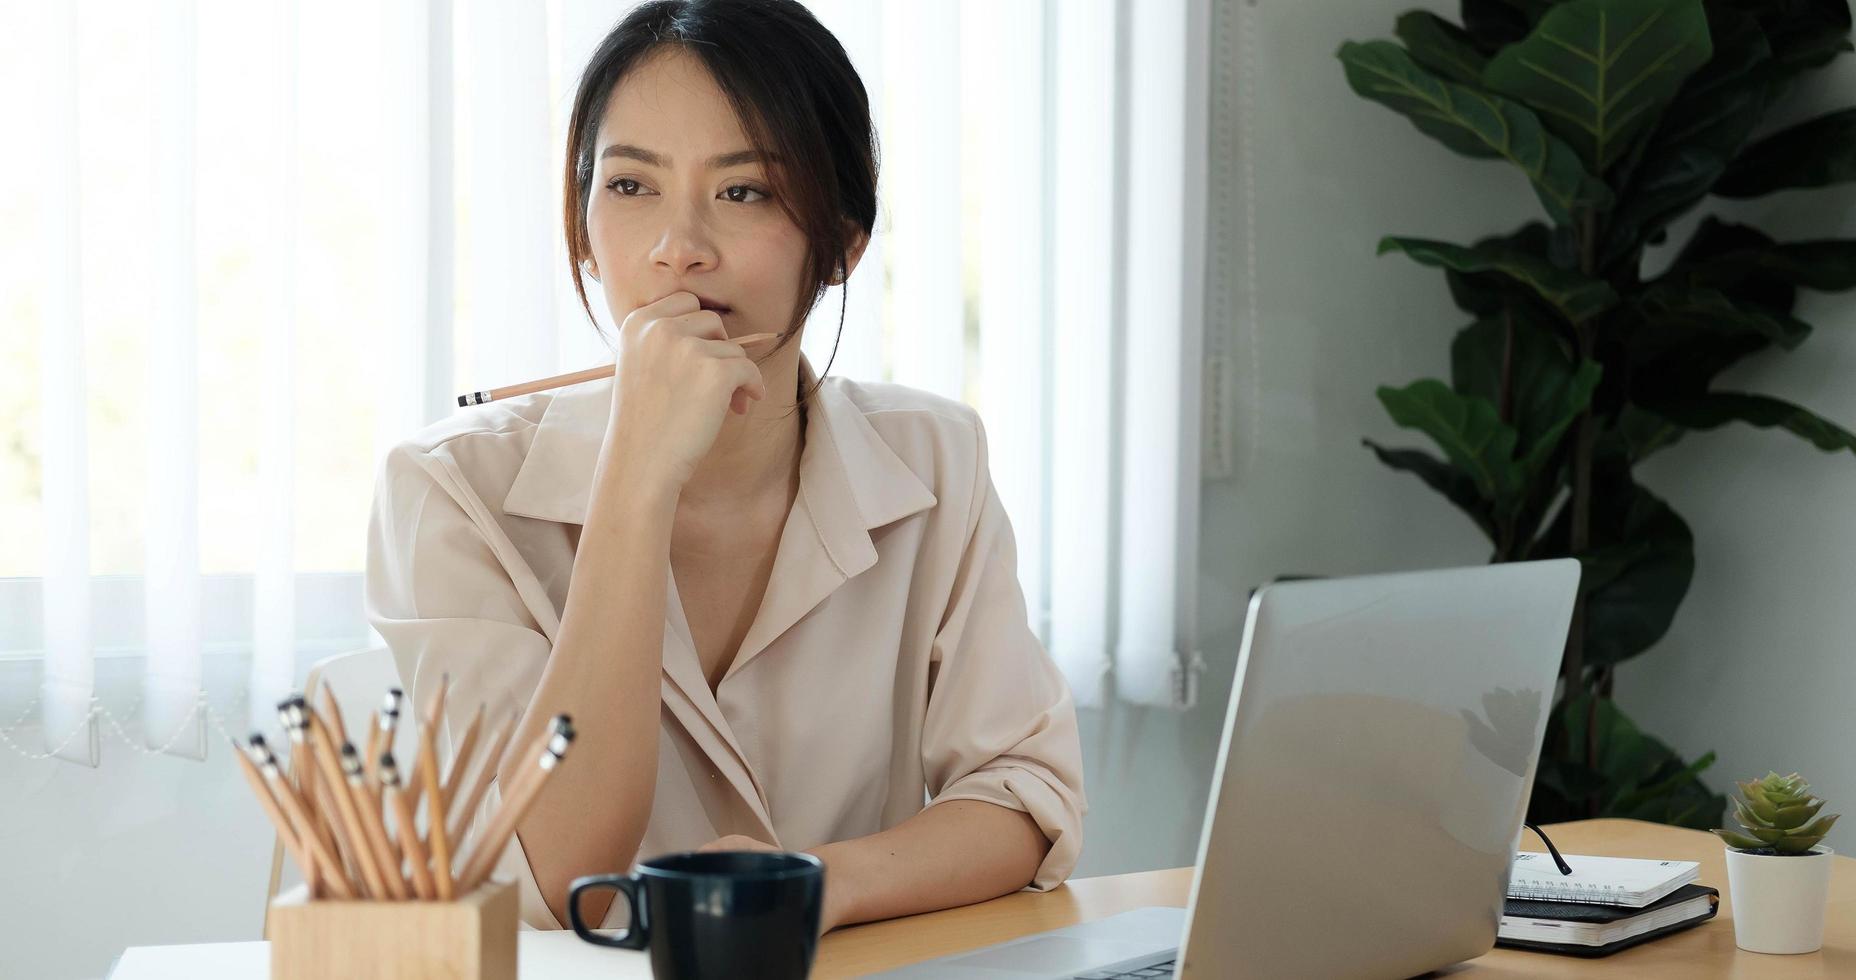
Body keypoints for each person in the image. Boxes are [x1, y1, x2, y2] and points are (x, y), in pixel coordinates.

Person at [364, 0, 1085, 933]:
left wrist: (807, 884)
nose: (678, 248)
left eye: (744, 192)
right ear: (582, 231)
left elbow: (1025, 795)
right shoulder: (449, 490)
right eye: (630, 187)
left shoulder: (935, 458)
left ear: (843, 242)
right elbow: (552, 875)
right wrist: (635, 476)